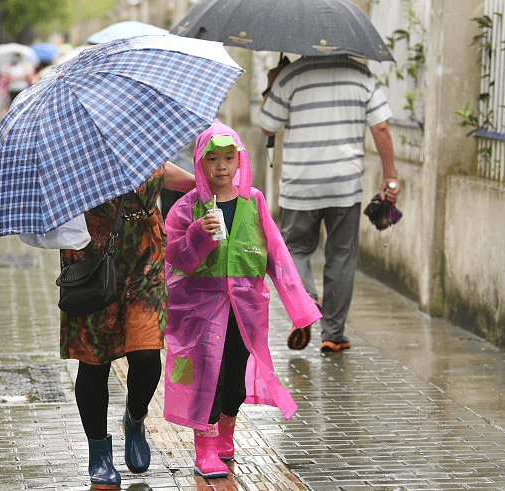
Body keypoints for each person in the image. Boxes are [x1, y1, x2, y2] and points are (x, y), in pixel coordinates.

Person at [163, 120, 321, 478]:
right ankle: (204, 449)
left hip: (244, 309)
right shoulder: (188, 208)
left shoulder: (254, 202)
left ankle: (226, 434)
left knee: (234, 378)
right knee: (206, 380)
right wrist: (197, 235)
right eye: (212, 158)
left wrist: (300, 306)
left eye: (228, 158)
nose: (221, 166)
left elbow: (276, 254)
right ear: (199, 163)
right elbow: (176, 258)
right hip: (200, 313)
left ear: (239, 161)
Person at [61, 162, 194, 490]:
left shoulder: (139, 145)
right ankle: (99, 454)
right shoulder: (72, 155)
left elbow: (171, 175)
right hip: (91, 263)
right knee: (94, 362)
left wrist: (210, 181)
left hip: (144, 262)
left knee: (147, 355)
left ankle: (135, 419)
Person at [258, 54, 401, 353]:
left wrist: (272, 85)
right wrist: (390, 176)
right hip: (344, 185)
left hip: (300, 185)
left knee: (295, 248)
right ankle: (333, 335)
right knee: (341, 257)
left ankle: (307, 298)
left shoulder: (291, 75)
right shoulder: (361, 75)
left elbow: (267, 126)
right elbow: (381, 128)